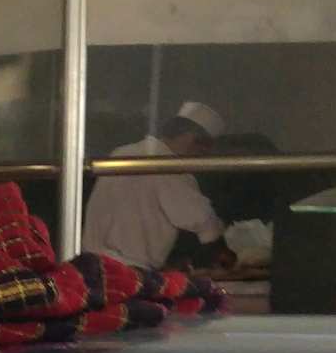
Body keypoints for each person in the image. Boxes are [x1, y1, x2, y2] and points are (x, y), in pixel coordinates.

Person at [83, 100, 235, 272]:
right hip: (128, 270)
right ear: (191, 138)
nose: (201, 156)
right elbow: (202, 220)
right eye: (203, 148)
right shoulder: (167, 165)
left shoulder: (122, 152)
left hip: (91, 264)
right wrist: (224, 253)